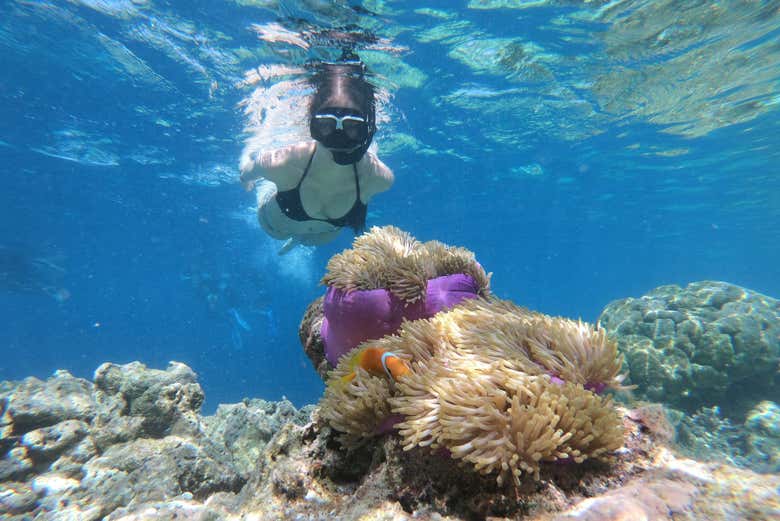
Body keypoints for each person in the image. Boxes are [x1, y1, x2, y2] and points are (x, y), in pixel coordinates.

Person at [240, 54, 394, 254]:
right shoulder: (285, 163)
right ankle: (295, 237)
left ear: (368, 130)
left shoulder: (378, 177)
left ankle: (298, 240)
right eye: (326, 125)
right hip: (276, 228)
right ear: (312, 125)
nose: (339, 139)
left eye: (353, 127)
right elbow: (246, 172)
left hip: (318, 236)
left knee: (307, 237)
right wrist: (247, 177)